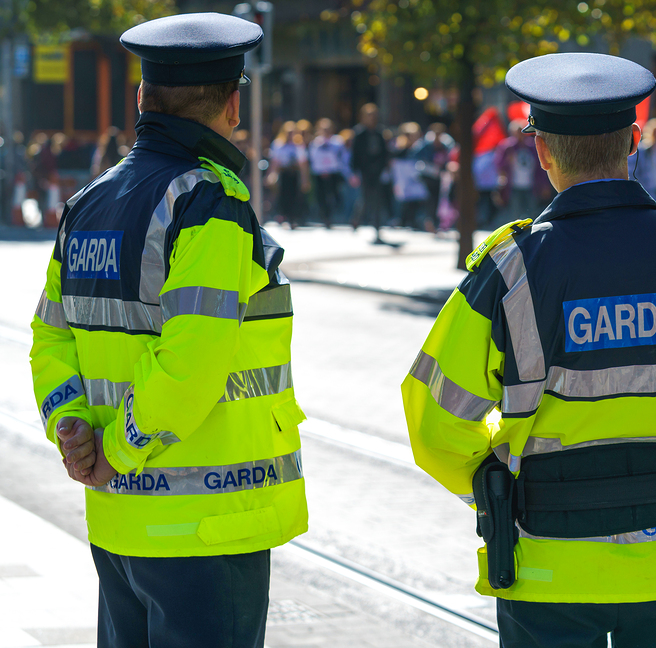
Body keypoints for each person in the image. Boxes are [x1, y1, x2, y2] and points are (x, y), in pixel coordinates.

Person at [401, 52, 656, 648]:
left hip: (551, 567)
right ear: (634, 142)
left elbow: (436, 420)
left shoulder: (510, 270)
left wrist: (493, 478)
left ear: (542, 153)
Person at [29, 13, 308, 648]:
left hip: (121, 528)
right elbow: (192, 359)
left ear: (141, 99)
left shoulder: (89, 204)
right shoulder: (208, 201)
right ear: (233, 104)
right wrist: (118, 458)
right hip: (206, 526)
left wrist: (70, 426)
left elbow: (50, 337)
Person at [351, 103, 390, 242]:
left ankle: (377, 226)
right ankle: (357, 219)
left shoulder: (380, 132)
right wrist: (354, 172)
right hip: (364, 170)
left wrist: (385, 167)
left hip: (377, 170)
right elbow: (355, 154)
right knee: (366, 197)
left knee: (377, 198)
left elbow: (385, 152)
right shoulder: (359, 132)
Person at [308, 117, 345, 228]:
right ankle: (325, 217)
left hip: (333, 172)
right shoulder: (315, 143)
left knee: (334, 195)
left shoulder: (337, 142)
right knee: (321, 196)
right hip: (319, 173)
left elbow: (341, 157)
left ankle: (333, 214)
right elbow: (313, 158)